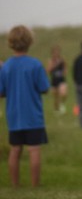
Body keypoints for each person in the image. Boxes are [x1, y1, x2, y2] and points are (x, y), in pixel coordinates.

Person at [1, 25, 50, 187]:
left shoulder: (6, 66)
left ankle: (15, 185)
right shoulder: (35, 64)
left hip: (14, 116)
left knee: (15, 150)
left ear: (11, 43)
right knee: (34, 150)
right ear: (30, 42)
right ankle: (35, 185)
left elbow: (1, 92)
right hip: (33, 116)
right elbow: (44, 88)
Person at [47, 44, 68, 115]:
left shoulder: (62, 60)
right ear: (52, 53)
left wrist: (65, 71)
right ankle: (56, 110)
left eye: (57, 52)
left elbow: (65, 67)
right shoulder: (50, 61)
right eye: (54, 52)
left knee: (64, 94)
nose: (56, 53)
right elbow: (48, 71)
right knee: (55, 97)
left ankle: (62, 105)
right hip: (54, 80)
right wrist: (53, 65)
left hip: (61, 79)